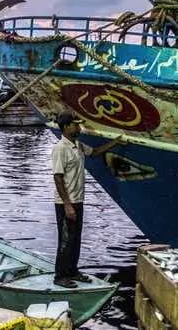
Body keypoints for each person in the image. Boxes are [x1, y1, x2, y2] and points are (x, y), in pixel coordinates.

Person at [51, 111, 124, 288]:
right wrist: (67, 206)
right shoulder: (60, 149)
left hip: (78, 199)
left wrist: (115, 142)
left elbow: (95, 152)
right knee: (66, 240)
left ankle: (72, 271)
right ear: (66, 127)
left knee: (76, 238)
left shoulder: (78, 145)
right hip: (65, 202)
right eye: (76, 124)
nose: (79, 127)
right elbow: (58, 177)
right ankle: (60, 276)